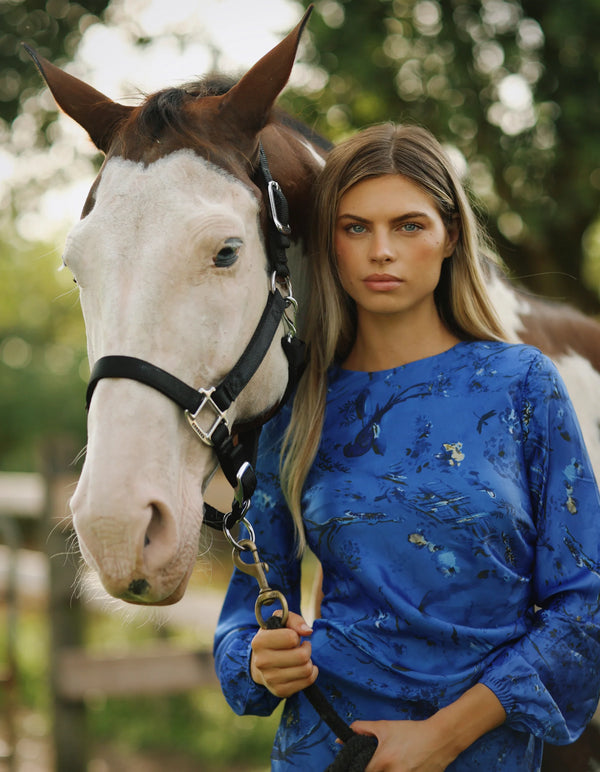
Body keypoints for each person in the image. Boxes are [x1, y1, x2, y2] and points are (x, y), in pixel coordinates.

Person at [213, 123, 600, 771]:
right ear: (328, 243)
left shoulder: (522, 385)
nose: (381, 251)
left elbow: (585, 605)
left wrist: (445, 736)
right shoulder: (299, 404)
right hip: (329, 748)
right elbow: (246, 610)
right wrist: (258, 658)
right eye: (355, 227)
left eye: (409, 225)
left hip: (484, 751)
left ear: (449, 234)